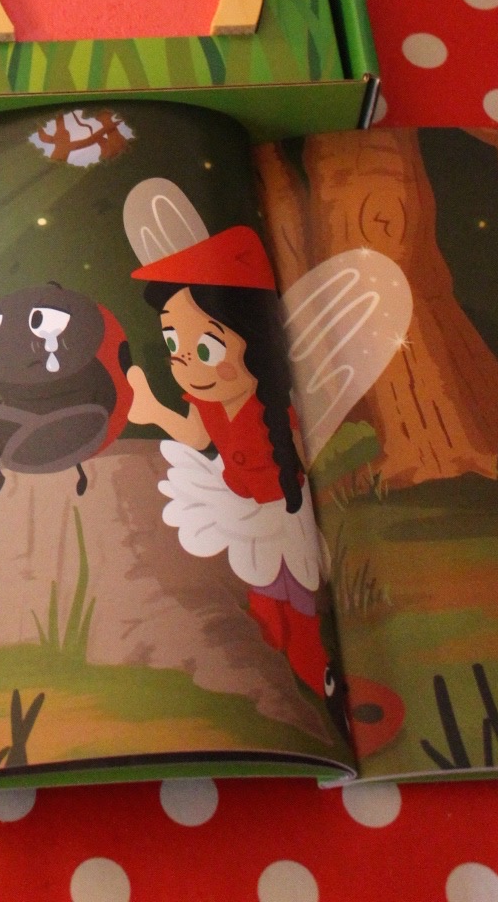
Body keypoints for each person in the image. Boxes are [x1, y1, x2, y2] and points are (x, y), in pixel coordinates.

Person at [125, 225, 340, 714]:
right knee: (262, 588)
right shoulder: (207, 401)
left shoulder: (274, 407)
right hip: (242, 507)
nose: (185, 361)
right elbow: (197, 437)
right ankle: (282, 662)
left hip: (282, 509)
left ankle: (316, 667)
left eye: (206, 349)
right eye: (173, 342)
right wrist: (153, 411)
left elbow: (301, 453)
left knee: (296, 587)